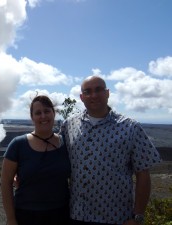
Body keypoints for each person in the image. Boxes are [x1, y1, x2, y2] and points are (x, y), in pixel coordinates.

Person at [61, 75, 162, 225]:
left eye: (98, 90)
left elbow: (143, 175)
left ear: (107, 93)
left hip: (116, 217)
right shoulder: (69, 125)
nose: (93, 95)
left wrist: (138, 216)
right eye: (88, 91)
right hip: (76, 214)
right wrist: (23, 172)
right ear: (82, 97)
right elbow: (51, 156)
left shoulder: (130, 127)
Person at [1, 95, 71, 225]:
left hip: (61, 214)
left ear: (54, 113)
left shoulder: (65, 143)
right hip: (26, 215)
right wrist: (11, 218)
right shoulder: (18, 144)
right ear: (32, 117)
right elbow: (6, 183)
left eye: (47, 111)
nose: (43, 116)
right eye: (38, 113)